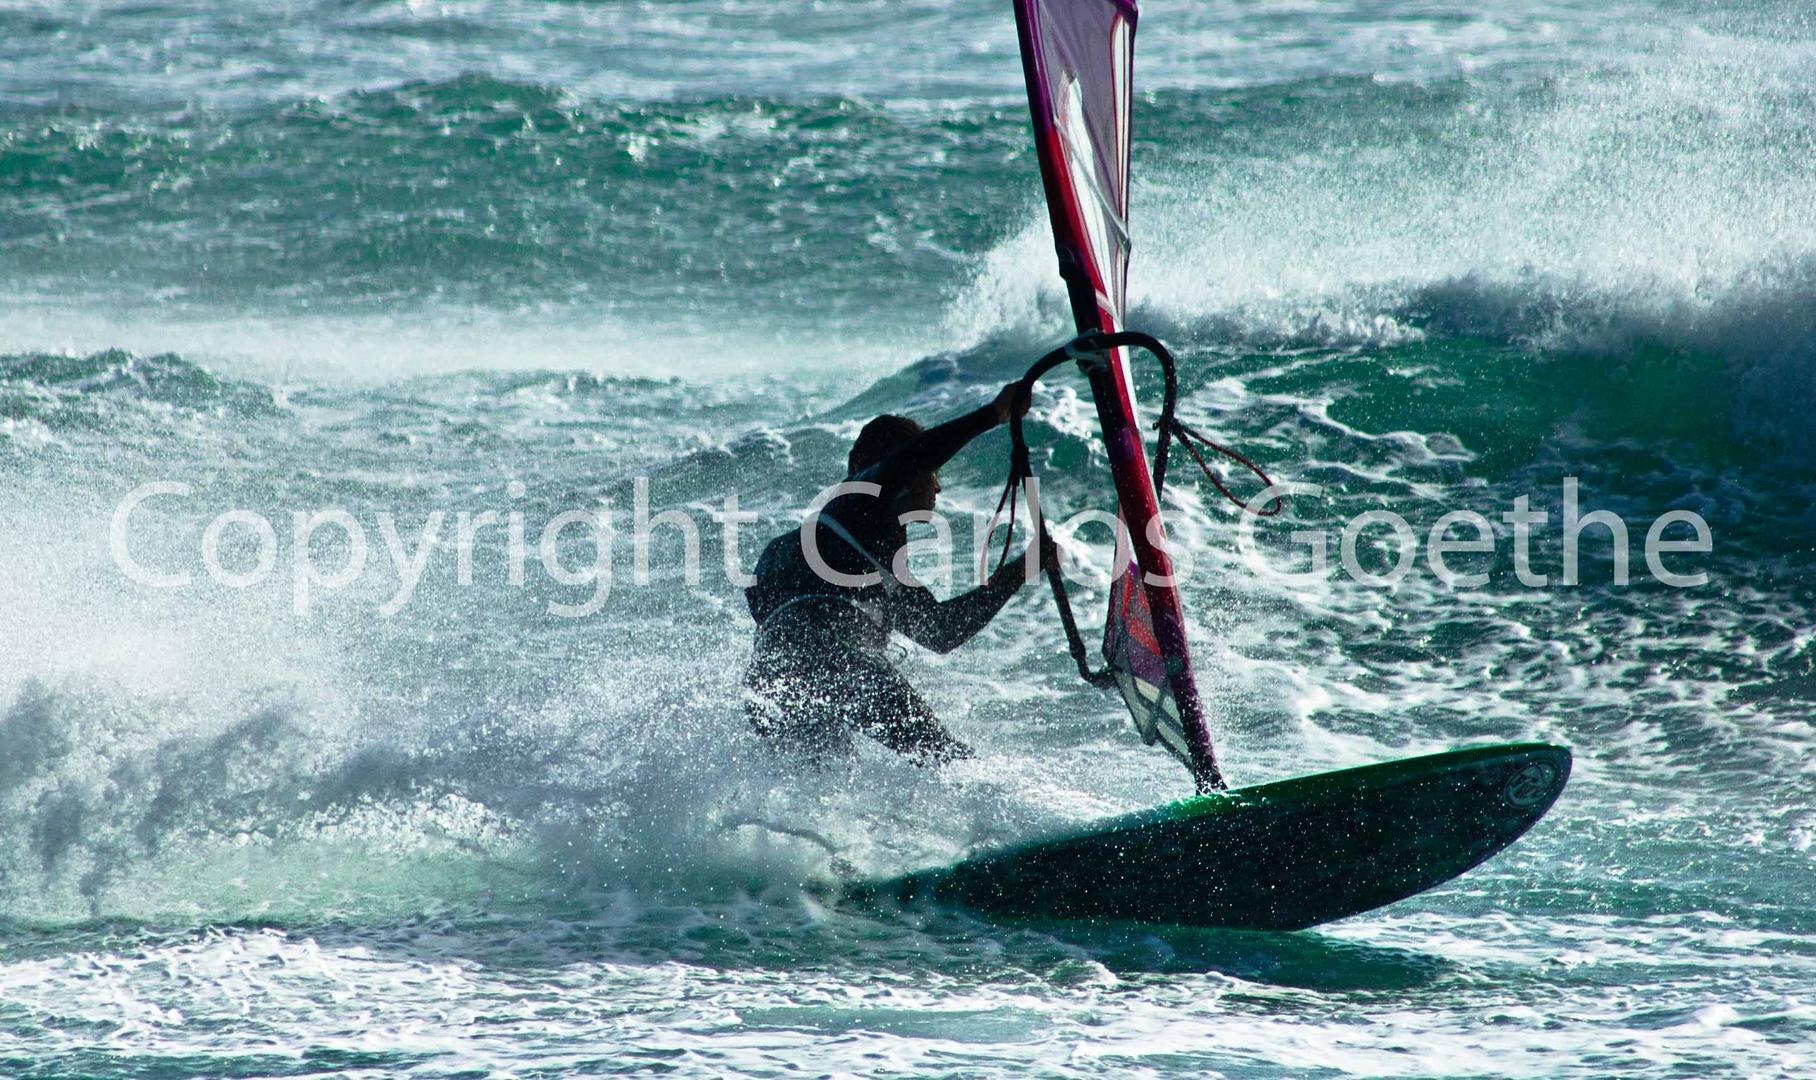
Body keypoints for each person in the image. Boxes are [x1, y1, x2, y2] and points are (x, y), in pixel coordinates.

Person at [743, 382, 1044, 765]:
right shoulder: (857, 502)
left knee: (816, 786)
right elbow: (911, 458)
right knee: (946, 760)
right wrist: (993, 414)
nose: (938, 483)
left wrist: (1024, 567)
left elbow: (940, 631)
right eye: (932, 472)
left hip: (769, 679)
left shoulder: (861, 555)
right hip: (832, 659)